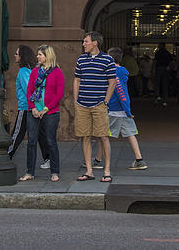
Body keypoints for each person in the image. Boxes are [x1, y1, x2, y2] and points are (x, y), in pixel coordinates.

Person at [73, 31, 116, 183]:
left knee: (103, 136)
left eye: (86, 41)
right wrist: (76, 100)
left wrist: (106, 101)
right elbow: (77, 80)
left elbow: (112, 82)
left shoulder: (107, 60)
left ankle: (107, 170)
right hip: (82, 105)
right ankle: (89, 170)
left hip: (99, 104)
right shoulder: (81, 60)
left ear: (95, 43)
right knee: (85, 137)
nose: (83, 44)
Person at [96, 47, 147, 171]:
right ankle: (139, 160)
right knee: (130, 134)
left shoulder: (111, 71)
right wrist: (127, 110)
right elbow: (124, 94)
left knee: (102, 135)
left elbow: (119, 92)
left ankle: (97, 161)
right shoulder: (122, 71)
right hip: (123, 111)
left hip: (112, 109)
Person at [19, 44, 64, 183]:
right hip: (33, 111)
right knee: (31, 141)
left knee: (50, 141)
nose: (37, 57)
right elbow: (29, 91)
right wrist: (32, 107)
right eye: (37, 54)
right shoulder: (34, 72)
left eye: (40, 55)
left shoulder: (57, 72)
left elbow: (59, 94)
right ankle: (29, 172)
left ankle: (55, 172)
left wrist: (46, 109)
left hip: (50, 112)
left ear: (47, 56)